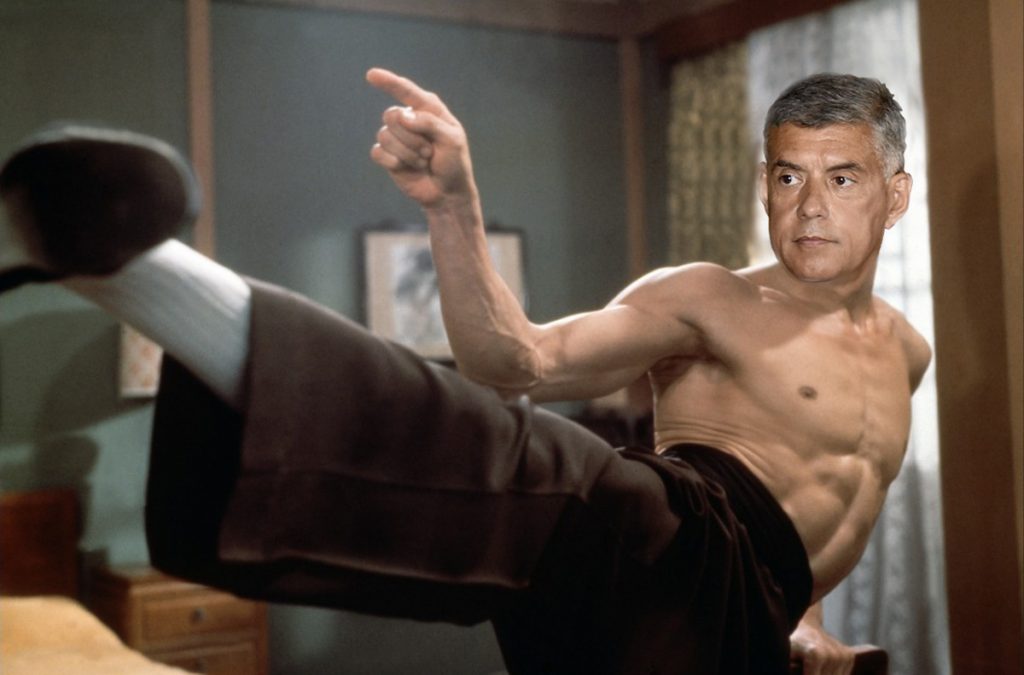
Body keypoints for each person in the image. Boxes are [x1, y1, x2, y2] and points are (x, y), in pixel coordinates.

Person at [0, 68, 930, 675]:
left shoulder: (907, 350)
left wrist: (804, 615)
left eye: (841, 178)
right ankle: (133, 269)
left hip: (745, 623)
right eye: (787, 176)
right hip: (680, 536)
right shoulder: (708, 296)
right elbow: (516, 362)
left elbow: (830, 497)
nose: (808, 206)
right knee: (552, 475)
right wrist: (453, 207)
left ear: (894, 197)